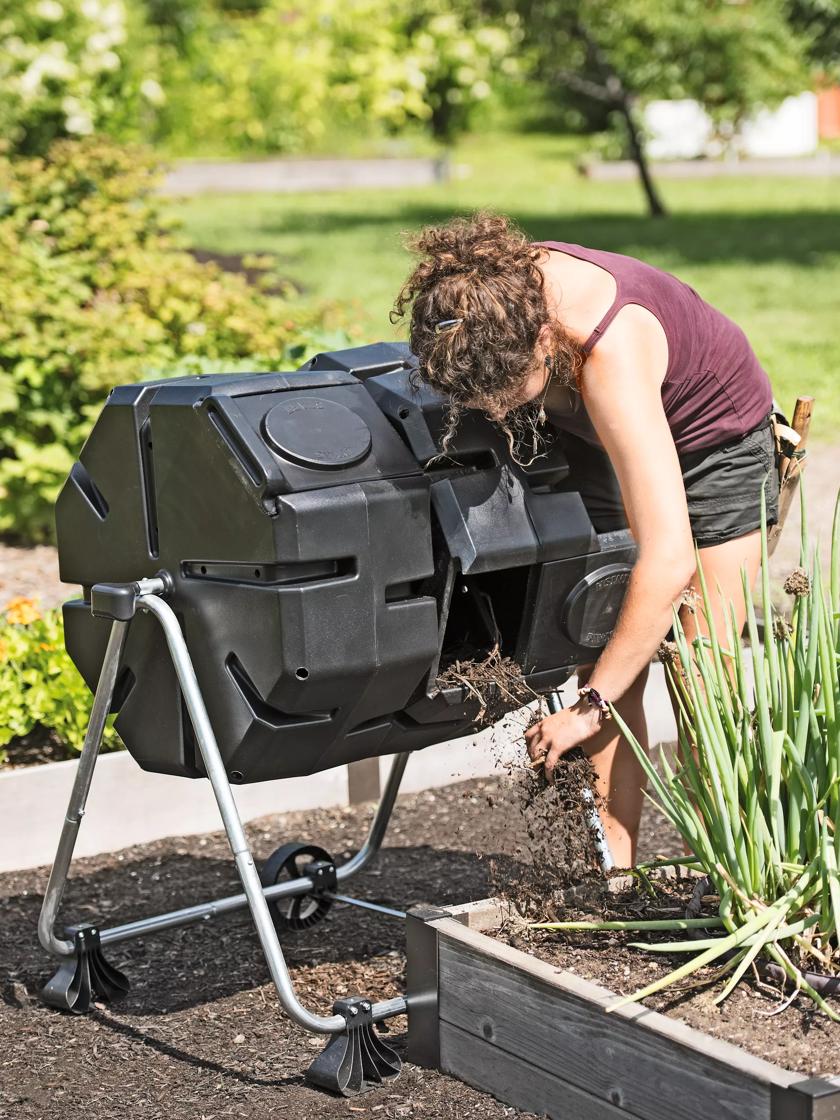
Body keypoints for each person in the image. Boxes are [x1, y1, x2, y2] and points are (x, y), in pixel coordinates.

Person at [392, 212, 779, 867]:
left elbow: (669, 558)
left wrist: (587, 709)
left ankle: (734, 871)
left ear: (546, 338)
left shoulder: (610, 349)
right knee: (600, 638)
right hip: (590, 433)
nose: (498, 417)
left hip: (715, 445)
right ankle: (617, 873)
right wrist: (598, 690)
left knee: (700, 666)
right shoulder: (480, 302)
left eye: (510, 398)